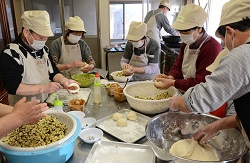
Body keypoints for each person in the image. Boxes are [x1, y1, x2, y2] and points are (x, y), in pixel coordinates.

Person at [168, 0, 250, 161]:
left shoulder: (243, 54)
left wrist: (176, 103)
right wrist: (218, 125)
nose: (225, 46)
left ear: (229, 32)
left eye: (223, 40)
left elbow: (203, 97)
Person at [154, 3, 224, 117]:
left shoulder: (211, 48)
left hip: (203, 102)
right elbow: (178, 66)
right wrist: (170, 76)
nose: (182, 35)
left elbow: (201, 82)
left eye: (185, 31)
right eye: (180, 31)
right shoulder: (187, 43)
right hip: (187, 95)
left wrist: (173, 82)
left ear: (199, 28)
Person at [0, 10, 76, 106]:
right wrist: (44, 88)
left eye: (46, 38)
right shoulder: (11, 53)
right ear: (27, 32)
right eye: (41, 38)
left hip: (44, 102)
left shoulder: (44, 50)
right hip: (22, 108)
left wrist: (65, 81)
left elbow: (53, 72)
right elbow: (13, 86)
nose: (44, 41)